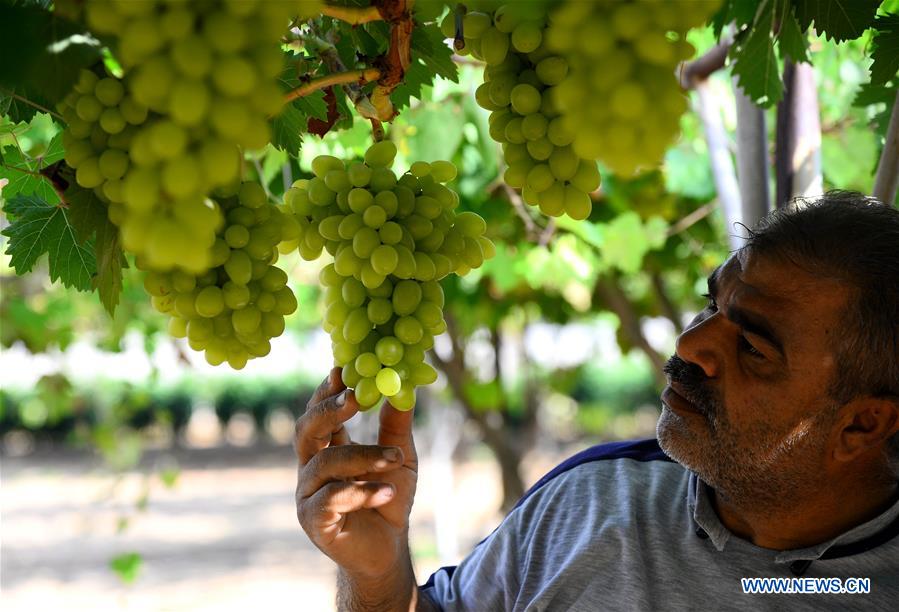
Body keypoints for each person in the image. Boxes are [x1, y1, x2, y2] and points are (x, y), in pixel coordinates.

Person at [295, 191, 899, 611]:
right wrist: (374, 572)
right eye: (712, 304)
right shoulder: (587, 500)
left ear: (862, 424)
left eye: (755, 347)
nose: (689, 344)